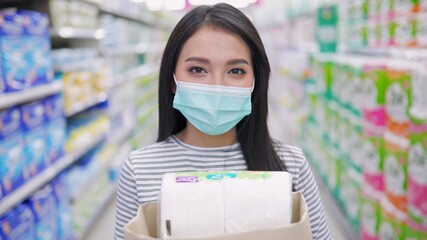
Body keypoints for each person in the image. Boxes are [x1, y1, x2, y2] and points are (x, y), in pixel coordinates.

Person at [115, 3, 332, 240]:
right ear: (173, 80)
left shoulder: (292, 165)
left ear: (255, 82)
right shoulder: (140, 169)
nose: (217, 86)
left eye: (236, 71)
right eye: (198, 69)